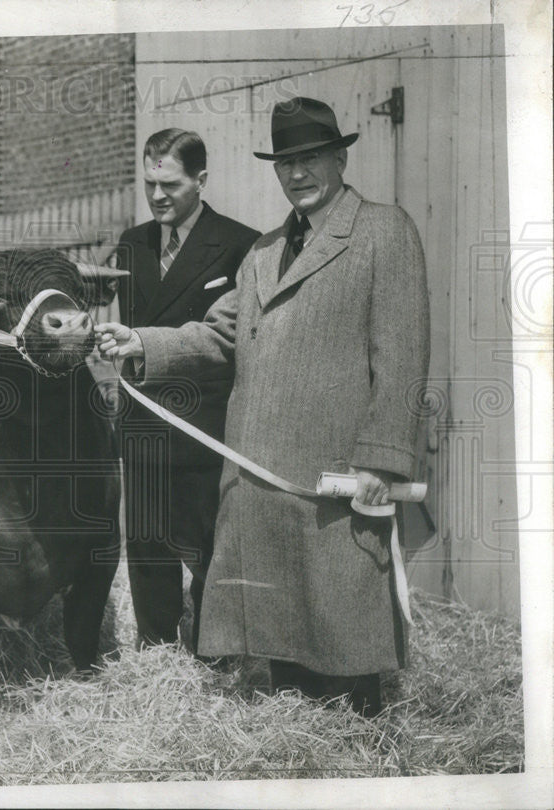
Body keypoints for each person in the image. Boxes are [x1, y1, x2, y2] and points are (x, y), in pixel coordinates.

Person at [97, 98, 430, 715]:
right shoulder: (263, 251)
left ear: (339, 156)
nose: (297, 174)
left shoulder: (384, 231)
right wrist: (141, 340)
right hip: (260, 478)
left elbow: (403, 359)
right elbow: (218, 335)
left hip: (335, 477)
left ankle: (358, 747)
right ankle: (298, 744)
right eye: (285, 163)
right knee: (280, 640)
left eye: (309, 159)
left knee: (342, 623)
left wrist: (382, 461)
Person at [112, 128, 258, 650]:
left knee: (207, 551)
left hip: (203, 428)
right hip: (144, 425)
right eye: (149, 183)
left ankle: (213, 654)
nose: (157, 197)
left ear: (200, 180)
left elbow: (235, 343)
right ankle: (155, 657)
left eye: (169, 185)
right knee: (148, 550)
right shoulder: (131, 245)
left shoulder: (243, 245)